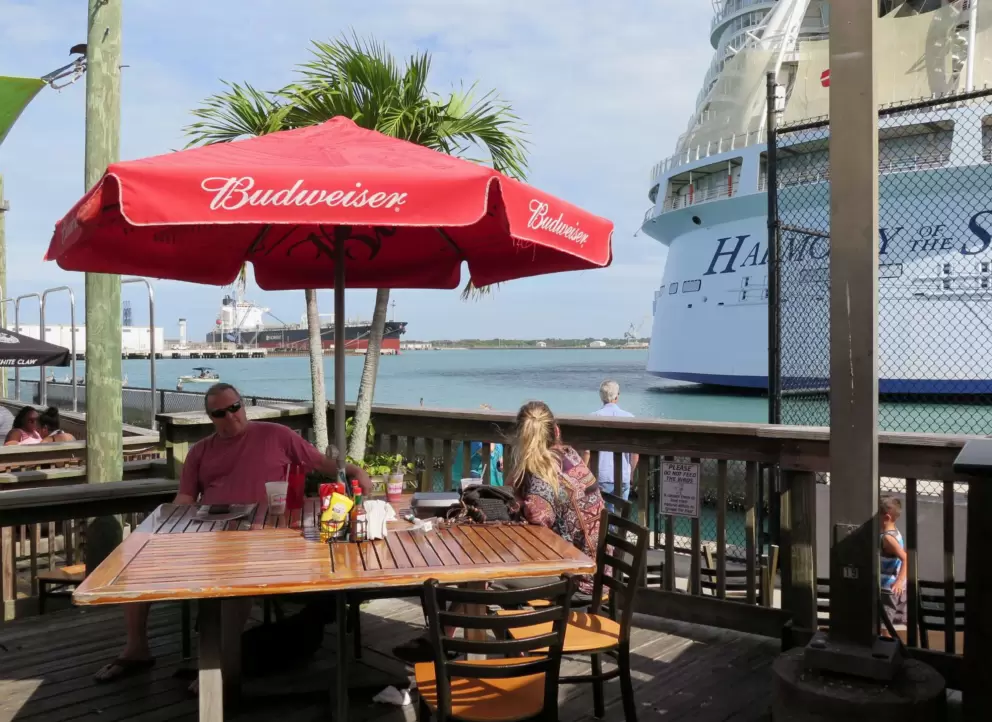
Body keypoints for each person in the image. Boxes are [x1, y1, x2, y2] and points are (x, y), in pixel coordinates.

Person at [94, 383, 370, 684]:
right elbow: (185, 499)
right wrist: (163, 526)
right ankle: (137, 649)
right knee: (138, 565)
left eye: (235, 407)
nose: (231, 416)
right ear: (211, 417)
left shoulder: (276, 435)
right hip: (210, 533)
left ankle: (223, 664)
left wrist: (356, 472)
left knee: (236, 577)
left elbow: (323, 464)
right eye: (220, 412)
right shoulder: (201, 451)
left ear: (243, 404)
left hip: (265, 534)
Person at [510, 400, 605, 595]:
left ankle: (451, 625)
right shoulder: (570, 456)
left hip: (577, 580)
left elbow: (537, 520)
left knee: (488, 581)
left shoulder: (543, 475)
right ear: (557, 431)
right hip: (599, 570)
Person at [584, 380, 638, 500]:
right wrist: (631, 474)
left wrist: (584, 475)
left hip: (601, 475)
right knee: (621, 514)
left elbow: (587, 452)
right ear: (617, 396)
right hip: (623, 475)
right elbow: (634, 453)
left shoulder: (592, 418)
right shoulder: (630, 418)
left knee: (604, 515)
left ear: (601, 397)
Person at [879, 495, 907, 638]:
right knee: (883, 623)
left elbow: (905, 558)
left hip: (887, 588)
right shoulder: (894, 532)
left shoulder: (888, 538)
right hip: (885, 587)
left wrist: (899, 581)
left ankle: (886, 653)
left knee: (885, 626)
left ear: (886, 517)